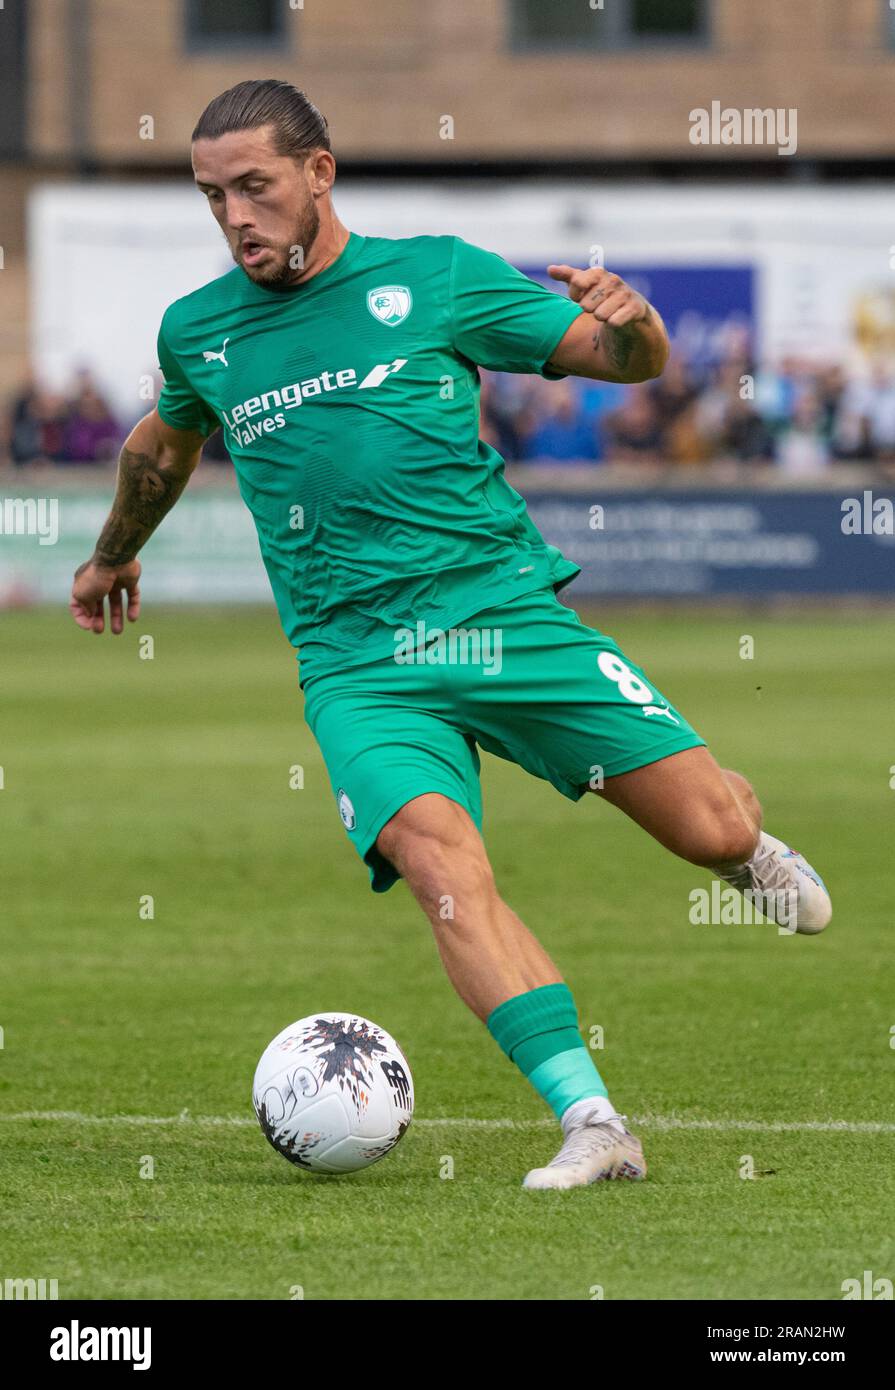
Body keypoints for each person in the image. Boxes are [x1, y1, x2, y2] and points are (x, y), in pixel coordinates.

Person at [69, 80, 832, 1190]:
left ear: (318, 175)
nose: (235, 216)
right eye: (213, 195)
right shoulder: (198, 331)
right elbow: (164, 444)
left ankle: (741, 848)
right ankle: (593, 1120)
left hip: (501, 622)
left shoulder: (434, 276)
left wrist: (640, 323)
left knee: (710, 827)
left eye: (255, 187)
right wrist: (111, 550)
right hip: (358, 668)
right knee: (442, 867)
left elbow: (622, 362)